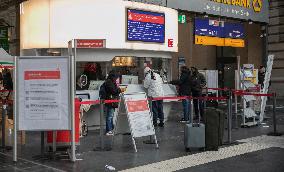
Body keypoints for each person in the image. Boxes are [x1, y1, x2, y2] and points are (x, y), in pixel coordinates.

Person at [103, 71, 121, 136]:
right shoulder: (109, 82)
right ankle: (109, 130)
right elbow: (114, 91)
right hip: (110, 101)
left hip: (111, 101)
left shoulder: (110, 81)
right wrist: (120, 90)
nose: (116, 78)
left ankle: (111, 129)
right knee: (109, 116)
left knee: (111, 116)